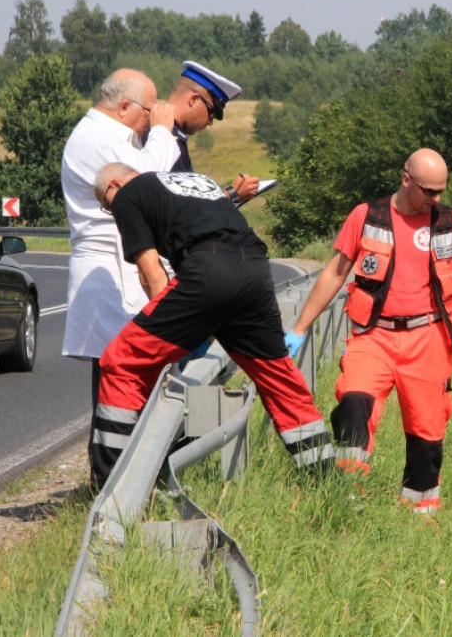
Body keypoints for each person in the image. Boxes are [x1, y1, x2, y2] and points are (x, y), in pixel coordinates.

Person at [88, 162, 334, 489]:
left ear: (114, 185)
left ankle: (112, 488)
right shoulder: (195, 180)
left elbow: (151, 274)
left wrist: (171, 331)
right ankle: (326, 482)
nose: (112, 211)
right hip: (257, 269)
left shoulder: (127, 194)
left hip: (208, 269)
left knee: (121, 361)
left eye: (106, 205)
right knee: (280, 379)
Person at [283, 148, 452, 514]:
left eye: (441, 190)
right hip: (374, 336)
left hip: (429, 339)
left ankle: (420, 514)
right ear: (406, 179)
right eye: (429, 191)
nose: (437, 199)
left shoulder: (449, 221)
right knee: (354, 402)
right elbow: (335, 273)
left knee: (427, 431)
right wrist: (300, 328)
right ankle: (346, 498)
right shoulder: (367, 217)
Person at [61, 68, 180, 412]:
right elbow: (146, 181)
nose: (148, 121)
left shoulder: (106, 134)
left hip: (118, 265)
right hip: (108, 267)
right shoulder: (99, 138)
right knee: (116, 377)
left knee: (124, 372)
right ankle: (110, 462)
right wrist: (162, 130)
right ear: (125, 106)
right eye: (148, 112)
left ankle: (116, 458)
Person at [164, 60, 260, 204]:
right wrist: (232, 194)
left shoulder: (160, 131)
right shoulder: (166, 139)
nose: (210, 122)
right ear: (194, 100)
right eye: (211, 113)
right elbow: (183, 209)